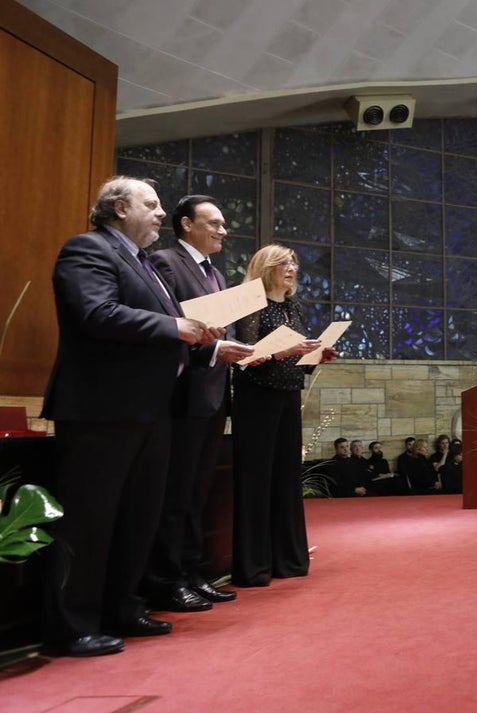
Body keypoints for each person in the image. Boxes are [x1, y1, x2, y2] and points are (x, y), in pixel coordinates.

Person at [41, 176, 222, 657]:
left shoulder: (145, 264)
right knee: (89, 520)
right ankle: (71, 626)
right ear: (120, 208)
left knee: (138, 517)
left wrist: (197, 337)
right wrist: (174, 326)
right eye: (152, 204)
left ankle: (122, 606)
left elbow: (160, 329)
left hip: (151, 410)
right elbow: (95, 313)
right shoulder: (87, 249)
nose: (162, 213)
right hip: (102, 410)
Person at [143, 194, 253, 614]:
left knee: (195, 491)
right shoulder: (167, 262)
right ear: (186, 224)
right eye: (215, 223)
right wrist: (213, 347)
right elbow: (172, 326)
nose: (223, 230)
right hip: (183, 393)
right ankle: (167, 579)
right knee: (176, 493)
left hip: (212, 394)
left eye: (223, 224)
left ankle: (192, 572)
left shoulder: (217, 274)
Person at [231, 244, 336, 587]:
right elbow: (246, 361)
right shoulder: (252, 305)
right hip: (257, 399)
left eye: (293, 264)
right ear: (266, 268)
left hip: (288, 395)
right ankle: (254, 565)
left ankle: (287, 559)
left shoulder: (292, 306)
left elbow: (293, 356)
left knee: (286, 477)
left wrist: (314, 357)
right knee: (257, 479)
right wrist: (286, 351)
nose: (291, 269)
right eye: (283, 264)